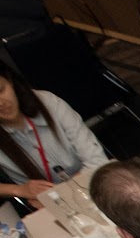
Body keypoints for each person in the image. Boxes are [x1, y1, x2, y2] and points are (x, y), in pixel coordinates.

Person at [0, 65, 107, 208]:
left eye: (1, 90)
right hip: (49, 205)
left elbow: (97, 161)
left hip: (94, 183)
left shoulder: (47, 102)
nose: (1, 103)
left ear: (10, 81)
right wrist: (19, 190)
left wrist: (62, 193)